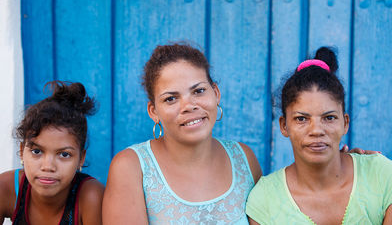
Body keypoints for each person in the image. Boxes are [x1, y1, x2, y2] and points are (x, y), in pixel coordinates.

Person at [103, 43, 262, 224]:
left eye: (199, 91)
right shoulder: (131, 167)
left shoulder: (244, 159)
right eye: (171, 99)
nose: (189, 106)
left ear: (216, 93)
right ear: (153, 111)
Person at [246, 47, 392, 224]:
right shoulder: (266, 200)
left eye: (329, 118)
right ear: (284, 125)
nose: (316, 130)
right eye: (301, 118)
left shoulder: (381, 176)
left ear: (345, 123)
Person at [0, 81, 104, 225]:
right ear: (22, 150)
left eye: (64, 155)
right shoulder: (6, 188)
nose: (48, 166)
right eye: (37, 151)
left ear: (81, 158)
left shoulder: (90, 197)